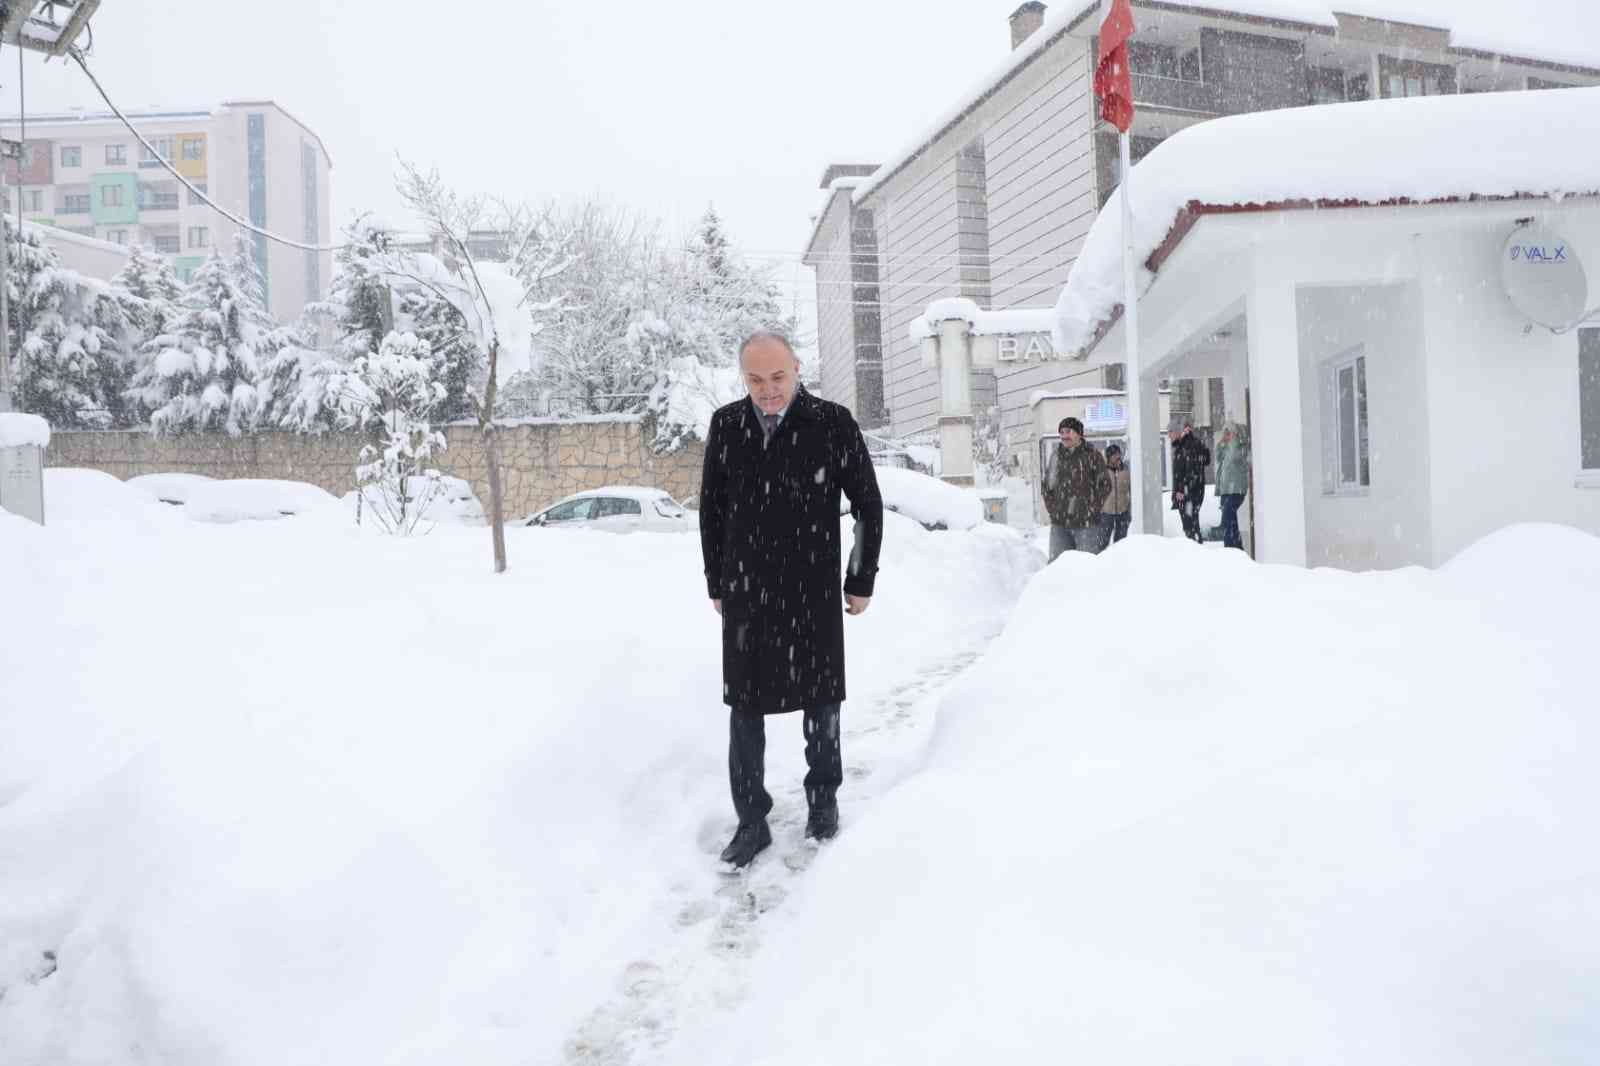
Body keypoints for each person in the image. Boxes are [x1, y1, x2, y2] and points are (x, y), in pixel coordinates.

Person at [699, 331, 884, 868]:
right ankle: (750, 820)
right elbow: (712, 510)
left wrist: (861, 578)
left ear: (797, 368)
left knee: (821, 702)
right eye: (755, 380)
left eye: (777, 377)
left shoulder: (831, 422)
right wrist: (716, 582)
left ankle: (822, 803)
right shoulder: (727, 425)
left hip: (812, 588)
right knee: (744, 709)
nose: (767, 390)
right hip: (747, 592)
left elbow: (867, 504)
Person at [1041, 417, 1112, 561]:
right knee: (1056, 567)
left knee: (1087, 566)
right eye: (1061, 432)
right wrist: (1054, 510)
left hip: (1086, 525)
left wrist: (1091, 508)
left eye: (1068, 431)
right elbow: (1047, 486)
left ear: (1079, 434)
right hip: (1060, 524)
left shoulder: (1092, 455)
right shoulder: (1056, 457)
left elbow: (1105, 484)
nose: (1063, 436)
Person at [1168, 414, 1210, 544]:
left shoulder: (1188, 446)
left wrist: (1182, 490)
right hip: (1189, 494)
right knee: (1190, 526)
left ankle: (1196, 553)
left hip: (1189, 495)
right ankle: (1196, 550)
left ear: (1178, 431)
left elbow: (1190, 472)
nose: (1169, 435)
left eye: (1170, 432)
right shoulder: (1182, 446)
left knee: (1190, 527)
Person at [1214, 421, 1249, 551]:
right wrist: (1222, 443)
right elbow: (1217, 457)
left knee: (1229, 517)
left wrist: (1234, 439)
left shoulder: (1240, 447)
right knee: (1228, 521)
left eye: (1228, 433)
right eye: (1225, 433)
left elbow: (1235, 457)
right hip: (1226, 490)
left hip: (1236, 490)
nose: (1226, 435)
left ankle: (1232, 548)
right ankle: (1234, 548)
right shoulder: (1227, 447)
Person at [1098, 443, 1132, 549]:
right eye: (1114, 455)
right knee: (1102, 543)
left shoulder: (1126, 470)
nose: (1118, 457)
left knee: (1120, 544)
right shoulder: (1102, 472)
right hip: (1106, 513)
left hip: (1123, 512)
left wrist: (1130, 511)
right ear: (1109, 457)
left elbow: (1133, 490)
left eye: (1119, 454)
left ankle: (1119, 564)